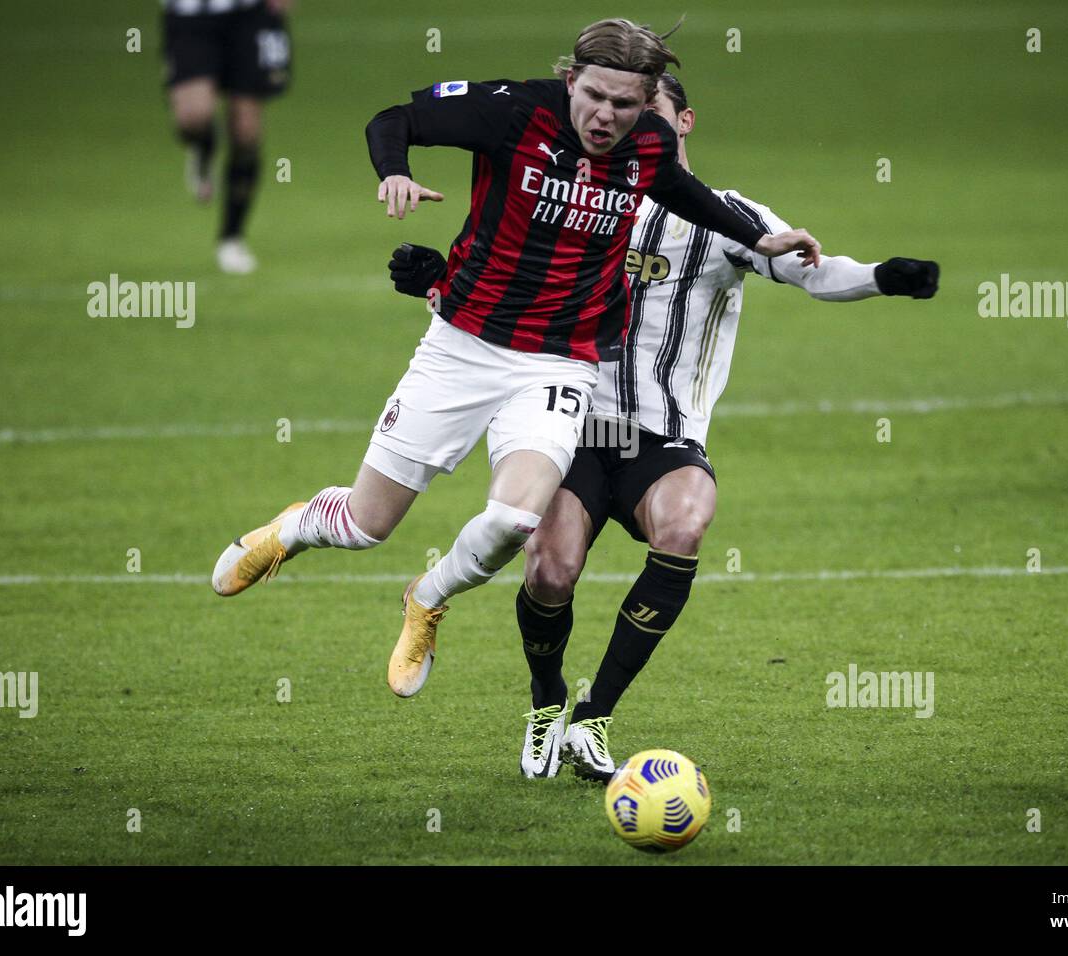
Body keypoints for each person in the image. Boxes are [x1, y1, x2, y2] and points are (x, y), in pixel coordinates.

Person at [210, 19, 823, 704]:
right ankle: (294, 527)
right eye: (594, 96)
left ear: (646, 101)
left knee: (513, 521)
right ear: (571, 81)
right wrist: (396, 174)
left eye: (625, 104)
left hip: (559, 363)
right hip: (462, 346)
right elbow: (394, 119)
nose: (606, 116)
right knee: (365, 526)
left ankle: (427, 600)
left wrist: (761, 240)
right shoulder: (512, 110)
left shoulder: (646, 145)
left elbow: (685, 195)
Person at [390, 72, 940, 779]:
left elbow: (811, 269)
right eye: (613, 108)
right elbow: (507, 290)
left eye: (644, 111)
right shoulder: (579, 200)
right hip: (576, 423)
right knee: (551, 569)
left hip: (663, 434)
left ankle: (594, 717)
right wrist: (439, 279)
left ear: (683, 123)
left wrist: (881, 277)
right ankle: (546, 700)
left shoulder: (726, 217)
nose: (624, 123)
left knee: (686, 520)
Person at [161, 0, 292, 274]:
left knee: (246, 133)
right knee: (192, 118)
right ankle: (204, 146)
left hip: (249, 15)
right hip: (190, 15)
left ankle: (232, 237)